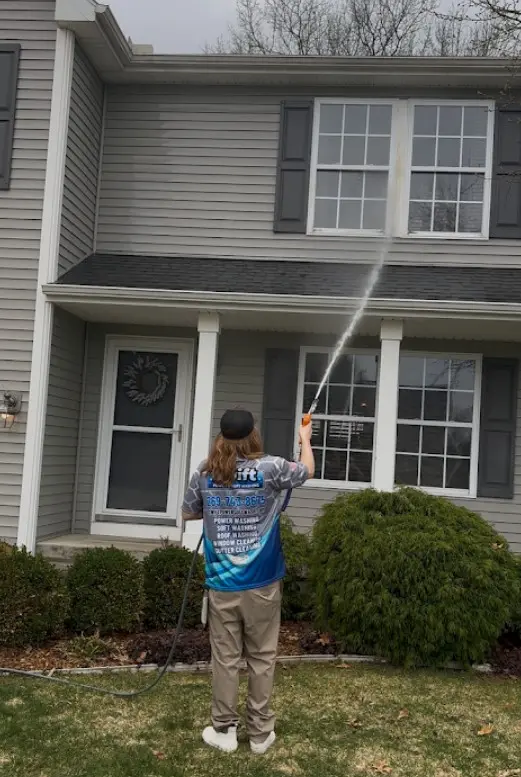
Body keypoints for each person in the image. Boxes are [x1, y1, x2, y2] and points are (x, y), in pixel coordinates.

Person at [182, 408, 314, 755]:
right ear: (253, 435)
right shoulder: (272, 468)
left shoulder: (204, 471)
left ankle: (224, 730)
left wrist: (220, 508)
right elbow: (307, 470)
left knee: (225, 660)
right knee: (262, 658)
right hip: (263, 584)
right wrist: (304, 439)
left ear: (221, 437)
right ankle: (259, 734)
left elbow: (189, 511)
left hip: (222, 584)